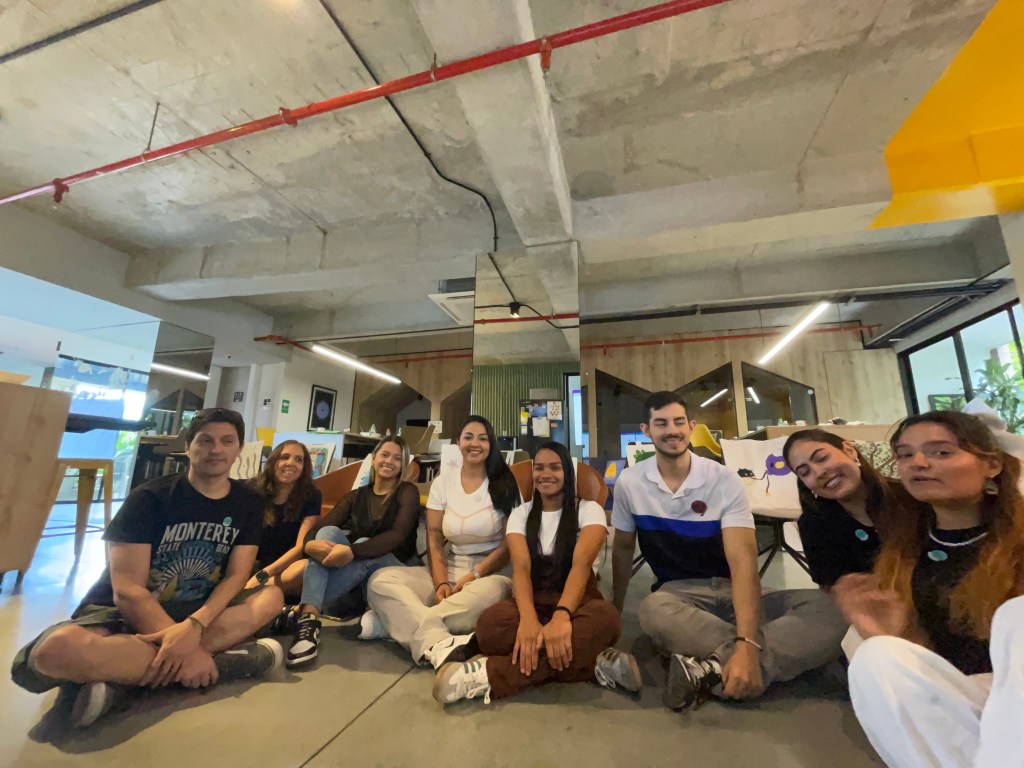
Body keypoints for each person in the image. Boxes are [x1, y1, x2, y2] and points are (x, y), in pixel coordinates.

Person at [11, 408, 285, 729]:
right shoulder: (149, 499)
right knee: (53, 653)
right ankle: (220, 665)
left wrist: (195, 625)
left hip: (198, 610)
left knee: (271, 597)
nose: (216, 449)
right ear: (188, 446)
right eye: (205, 440)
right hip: (126, 614)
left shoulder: (248, 503)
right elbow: (128, 591)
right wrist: (187, 651)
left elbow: (237, 575)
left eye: (227, 441)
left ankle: (120, 684)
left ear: (239, 449)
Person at [610, 391, 846, 711]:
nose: (672, 430)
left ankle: (712, 669)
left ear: (691, 426)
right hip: (678, 596)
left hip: (735, 589)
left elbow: (743, 560)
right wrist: (616, 608)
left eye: (679, 421)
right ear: (646, 430)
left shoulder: (722, 479)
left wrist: (747, 643)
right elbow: (623, 548)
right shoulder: (630, 482)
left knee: (833, 608)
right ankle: (751, 662)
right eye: (661, 423)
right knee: (653, 610)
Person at [836, 411, 1024, 768]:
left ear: (992, 465)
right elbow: (930, 672)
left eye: (941, 452)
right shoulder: (904, 551)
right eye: (905, 455)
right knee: (875, 656)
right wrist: (891, 632)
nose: (918, 463)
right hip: (962, 704)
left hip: (1013, 700)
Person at [434, 441, 642, 704]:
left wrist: (562, 615)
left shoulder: (589, 511)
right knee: (489, 628)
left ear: (567, 472)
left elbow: (580, 566)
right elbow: (521, 569)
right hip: (531, 600)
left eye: (555, 467)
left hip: (577, 602)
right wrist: (529, 620)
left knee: (607, 619)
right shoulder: (521, 514)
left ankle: (485, 675)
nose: (546, 474)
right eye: (540, 468)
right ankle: (594, 663)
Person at [365, 416, 518, 669]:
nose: (475, 443)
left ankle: (393, 622)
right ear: (458, 442)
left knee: (482, 599)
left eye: (482, 438)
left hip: (491, 573)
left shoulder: (505, 483)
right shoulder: (443, 482)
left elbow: (509, 544)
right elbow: (434, 536)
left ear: (491, 444)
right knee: (380, 582)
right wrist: (441, 582)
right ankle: (437, 641)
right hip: (449, 565)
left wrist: (474, 575)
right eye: (468, 437)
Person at [286, 436, 420, 666]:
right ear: (373, 459)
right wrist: (309, 545)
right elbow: (317, 529)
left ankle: (305, 610)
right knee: (327, 533)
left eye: (397, 458)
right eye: (385, 455)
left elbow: (397, 535)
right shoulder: (357, 495)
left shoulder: (407, 492)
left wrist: (352, 552)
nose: (389, 461)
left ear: (403, 465)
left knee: (365, 543)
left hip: (401, 567)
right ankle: (309, 618)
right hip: (360, 568)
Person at [782, 429, 891, 590]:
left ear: (849, 450)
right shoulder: (815, 525)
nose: (819, 472)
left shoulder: (908, 499)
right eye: (805, 473)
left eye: (822, 458)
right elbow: (833, 590)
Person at [246, 440, 323, 598]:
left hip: (284, 568)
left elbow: (301, 547)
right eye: (285, 457)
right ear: (273, 461)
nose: (291, 463)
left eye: (298, 459)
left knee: (306, 569)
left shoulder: (311, 495)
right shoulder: (252, 489)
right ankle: (252, 592)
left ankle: (249, 592)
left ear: (304, 467)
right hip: (250, 562)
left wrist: (265, 574)